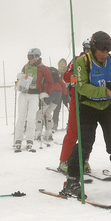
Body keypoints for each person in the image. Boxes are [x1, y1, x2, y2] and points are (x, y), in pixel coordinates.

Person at [61, 31, 111, 199]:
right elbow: (82, 86)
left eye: (107, 51)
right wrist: (105, 91)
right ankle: (72, 181)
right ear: (93, 48)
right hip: (88, 107)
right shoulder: (83, 62)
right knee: (85, 144)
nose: (104, 55)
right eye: (101, 51)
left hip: (108, 107)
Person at [57, 41, 91, 173]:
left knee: (87, 133)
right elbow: (66, 76)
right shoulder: (77, 59)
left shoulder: (98, 61)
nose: (89, 51)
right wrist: (74, 78)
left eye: (92, 49)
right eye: (87, 49)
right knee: (73, 130)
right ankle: (64, 160)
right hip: (77, 99)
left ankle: (84, 159)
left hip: (91, 100)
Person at [14, 48, 52, 152]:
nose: (29, 59)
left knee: (31, 118)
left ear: (37, 57)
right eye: (28, 57)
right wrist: (19, 78)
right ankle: (18, 139)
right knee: (21, 117)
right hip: (24, 94)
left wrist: (46, 92)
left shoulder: (42, 68)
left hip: (34, 95)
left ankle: (29, 139)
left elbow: (50, 81)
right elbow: (20, 80)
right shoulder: (26, 67)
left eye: (31, 57)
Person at [36, 66, 65, 144]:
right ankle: (49, 133)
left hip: (50, 92)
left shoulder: (44, 75)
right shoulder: (56, 77)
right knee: (48, 113)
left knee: (40, 113)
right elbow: (63, 84)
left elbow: (40, 85)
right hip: (59, 93)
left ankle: (37, 133)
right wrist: (65, 96)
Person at [52, 58, 69, 131]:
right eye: (61, 63)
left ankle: (69, 124)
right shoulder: (57, 72)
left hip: (67, 92)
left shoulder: (67, 71)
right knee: (56, 108)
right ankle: (55, 124)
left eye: (63, 63)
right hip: (58, 92)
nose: (62, 64)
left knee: (69, 108)